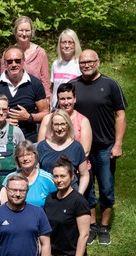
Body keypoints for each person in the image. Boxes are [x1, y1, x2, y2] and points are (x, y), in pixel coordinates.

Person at [72, 49, 128, 245]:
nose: (86, 65)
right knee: (86, 188)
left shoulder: (110, 85)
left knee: (106, 187)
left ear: (98, 62)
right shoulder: (73, 86)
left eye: (90, 62)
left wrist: (118, 144)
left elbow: (120, 115)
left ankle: (104, 227)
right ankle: (92, 225)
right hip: (81, 149)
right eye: (82, 62)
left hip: (105, 146)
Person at [0, 46, 48, 143]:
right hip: (0, 139)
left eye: (17, 61)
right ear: (4, 63)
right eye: (9, 61)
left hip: (28, 140)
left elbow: (45, 113)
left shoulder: (35, 84)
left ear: (23, 61)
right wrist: (2, 121)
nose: (14, 64)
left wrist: (29, 117)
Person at [37, 109, 89, 193]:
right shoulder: (42, 146)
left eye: (62, 124)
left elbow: (84, 175)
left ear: (68, 125)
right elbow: (36, 174)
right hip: (47, 193)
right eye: (56, 124)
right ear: (51, 126)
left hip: (70, 194)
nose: (59, 128)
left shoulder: (76, 147)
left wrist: (79, 195)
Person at [38, 83, 92, 158]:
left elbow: (85, 151)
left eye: (69, 98)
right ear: (58, 100)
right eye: (62, 99)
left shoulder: (83, 121)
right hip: (51, 163)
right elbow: (41, 147)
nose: (66, 103)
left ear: (74, 99)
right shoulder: (47, 119)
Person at [4, 16, 51, 99]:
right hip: (12, 97)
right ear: (15, 31)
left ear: (32, 32)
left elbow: (45, 80)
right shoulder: (8, 53)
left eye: (27, 31)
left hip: (35, 98)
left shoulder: (40, 53)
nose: (24, 34)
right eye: (21, 30)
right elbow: (3, 77)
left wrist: (47, 98)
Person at [0, 94, 25, 183]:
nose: (1, 112)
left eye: (4, 109)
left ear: (8, 110)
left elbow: (24, 155)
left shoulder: (16, 132)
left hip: (12, 179)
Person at [3, 141, 56, 207]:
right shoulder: (10, 178)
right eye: (21, 156)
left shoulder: (47, 179)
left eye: (28, 154)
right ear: (17, 159)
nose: (25, 159)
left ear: (35, 155)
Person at [50, 29, 82, 107]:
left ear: (75, 44)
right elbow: (52, 88)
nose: (67, 46)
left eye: (70, 42)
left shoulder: (80, 64)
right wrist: (51, 104)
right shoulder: (56, 64)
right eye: (64, 42)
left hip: (73, 108)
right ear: (59, 44)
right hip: (56, 109)